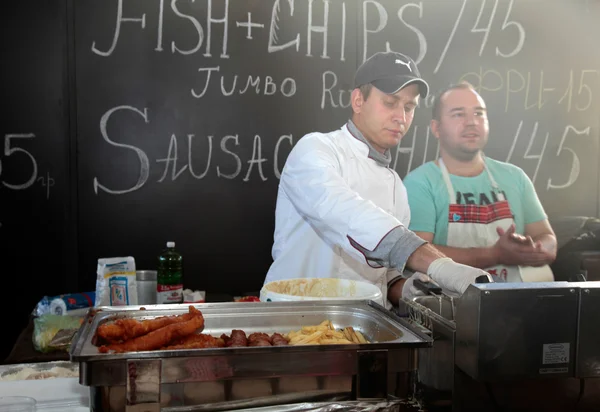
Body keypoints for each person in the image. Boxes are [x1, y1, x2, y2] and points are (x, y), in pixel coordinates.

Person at [263, 52, 494, 308]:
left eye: (409, 107)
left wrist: (409, 289)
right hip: (294, 317)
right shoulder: (315, 150)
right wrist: (439, 264)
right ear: (358, 101)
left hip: (362, 329)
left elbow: (384, 276)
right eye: (390, 102)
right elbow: (344, 211)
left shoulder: (396, 186)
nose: (401, 117)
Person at [403, 81, 557, 283]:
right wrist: (495, 254)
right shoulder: (420, 183)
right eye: (459, 114)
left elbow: (547, 238)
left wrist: (535, 250)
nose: (471, 122)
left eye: (479, 113)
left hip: (517, 303)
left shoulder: (514, 177)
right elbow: (417, 254)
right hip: (449, 305)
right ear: (436, 128)